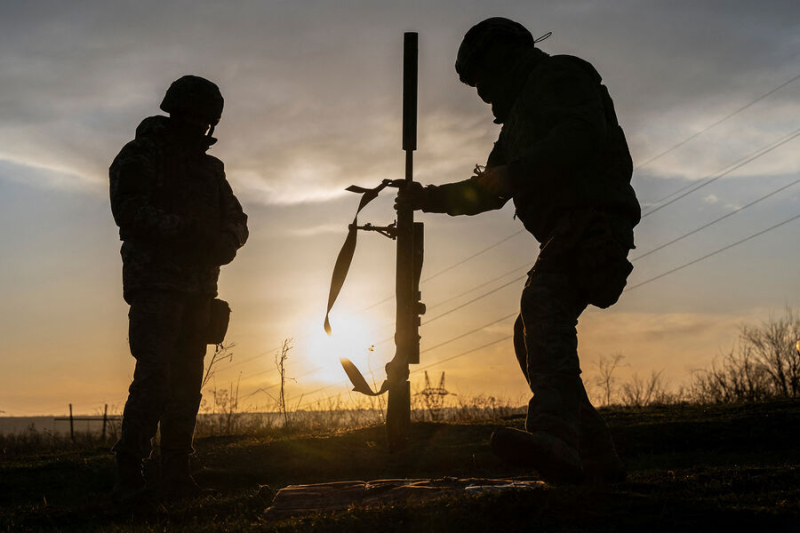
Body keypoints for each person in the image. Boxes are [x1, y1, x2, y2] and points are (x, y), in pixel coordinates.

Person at [396, 18, 640, 483]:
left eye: (483, 78)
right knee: (529, 333)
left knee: (542, 302)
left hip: (594, 223)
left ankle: (556, 440)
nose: (483, 93)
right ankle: (596, 458)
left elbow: (580, 134)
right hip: (565, 232)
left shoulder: (561, 76)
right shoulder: (515, 126)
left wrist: (517, 172)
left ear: (506, 59)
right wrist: (426, 197)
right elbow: (487, 191)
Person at [109, 75, 248, 500]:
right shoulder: (141, 154)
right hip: (156, 284)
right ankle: (130, 468)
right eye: (194, 115)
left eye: (206, 118)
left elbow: (237, 220)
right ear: (177, 111)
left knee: (187, 382)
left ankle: (176, 471)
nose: (200, 124)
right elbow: (130, 212)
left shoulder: (210, 168)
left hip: (198, 290)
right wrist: (186, 233)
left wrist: (226, 242)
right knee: (154, 377)